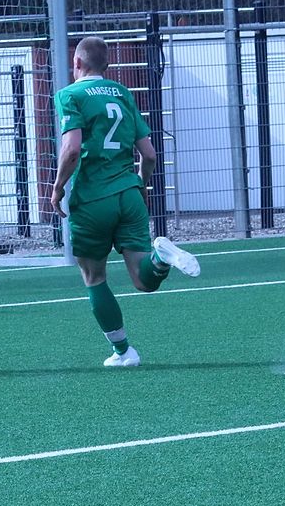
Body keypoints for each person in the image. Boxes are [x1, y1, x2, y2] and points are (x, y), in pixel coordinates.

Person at [50, 36, 201, 368]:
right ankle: (161, 257)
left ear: (77, 63)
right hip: (129, 194)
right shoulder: (122, 93)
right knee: (144, 280)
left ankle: (123, 352)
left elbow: (72, 150)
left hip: (93, 198)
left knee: (94, 277)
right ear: (106, 65)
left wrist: (58, 187)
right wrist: (141, 186)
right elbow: (149, 154)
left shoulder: (69, 95)